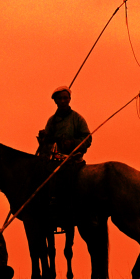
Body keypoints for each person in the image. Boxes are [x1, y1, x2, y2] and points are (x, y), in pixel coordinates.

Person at [37, 86, 91, 225]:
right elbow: (47, 143)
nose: (62, 100)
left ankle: (71, 208)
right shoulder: (52, 121)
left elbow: (87, 138)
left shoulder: (77, 119)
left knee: (68, 177)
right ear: (55, 101)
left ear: (69, 99)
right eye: (59, 98)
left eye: (65, 98)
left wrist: (72, 143)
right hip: (54, 158)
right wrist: (44, 138)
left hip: (73, 159)